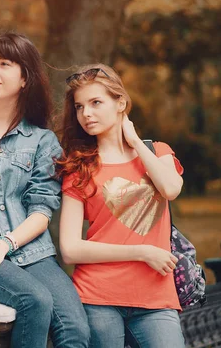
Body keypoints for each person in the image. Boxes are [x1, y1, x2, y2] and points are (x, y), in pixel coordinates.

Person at [0, 32, 90, 348]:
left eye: (4, 64)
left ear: (25, 78)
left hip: (27, 246)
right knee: (36, 301)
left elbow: (41, 212)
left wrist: (4, 244)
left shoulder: (41, 141)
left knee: (75, 331)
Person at [56, 64, 185, 348]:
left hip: (156, 298)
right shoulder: (79, 168)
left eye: (96, 102)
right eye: (79, 107)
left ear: (120, 103)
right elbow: (70, 248)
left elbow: (171, 188)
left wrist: (136, 142)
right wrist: (141, 252)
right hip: (97, 298)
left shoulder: (156, 151)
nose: (86, 114)